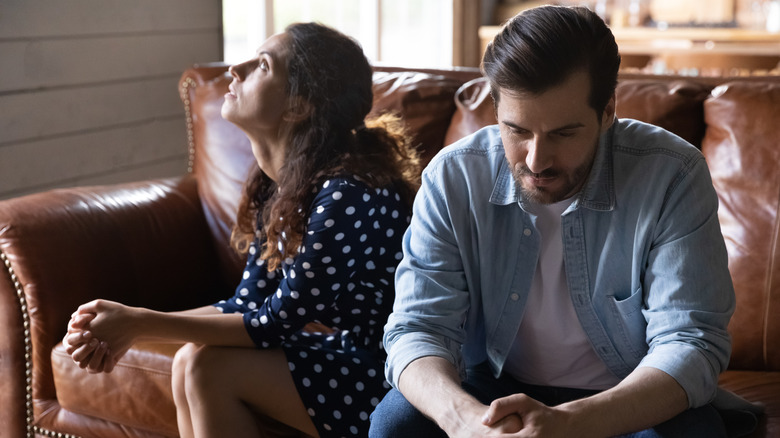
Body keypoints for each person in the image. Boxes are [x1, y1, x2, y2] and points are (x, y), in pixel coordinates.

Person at [370, 5, 748, 438]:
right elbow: (417, 328)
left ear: (607, 113)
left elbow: (690, 343)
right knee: (394, 423)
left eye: (563, 133)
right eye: (517, 130)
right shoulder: (453, 176)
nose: (536, 161)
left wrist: (570, 424)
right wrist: (464, 421)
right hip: (494, 388)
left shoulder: (671, 174)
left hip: (627, 393)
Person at [63, 22, 420, 438]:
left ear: (297, 107)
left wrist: (138, 323)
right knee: (190, 359)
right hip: (354, 354)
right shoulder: (284, 185)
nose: (236, 69)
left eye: (263, 65)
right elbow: (246, 302)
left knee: (207, 367)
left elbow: (274, 323)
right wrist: (123, 329)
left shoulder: (347, 194)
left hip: (400, 377)